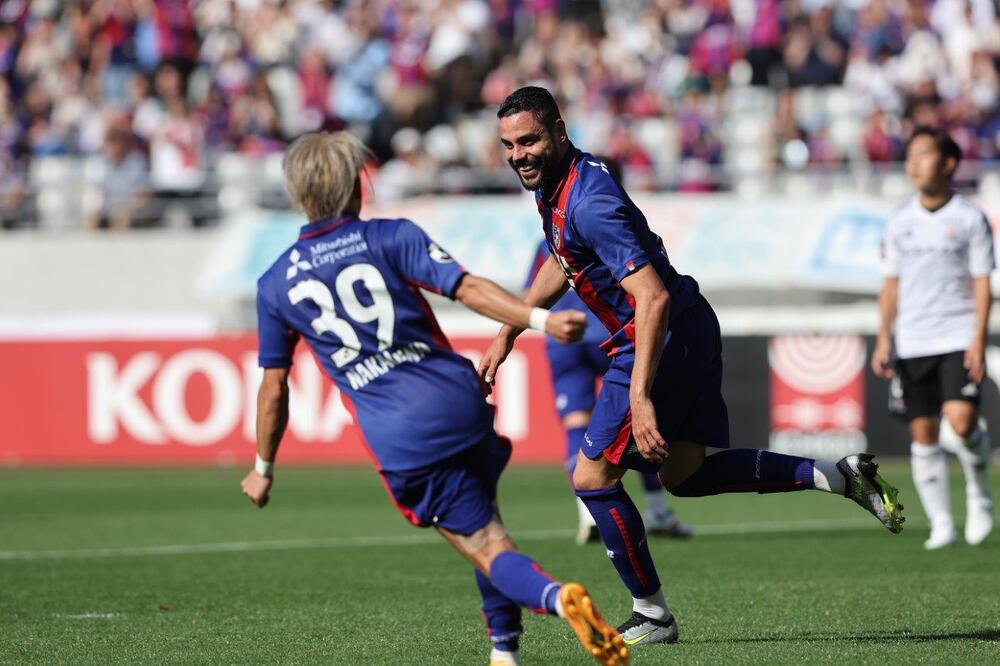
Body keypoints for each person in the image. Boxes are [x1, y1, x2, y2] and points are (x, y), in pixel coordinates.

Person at [480, 86, 905, 648]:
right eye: (509, 145)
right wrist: (510, 329)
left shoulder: (587, 200)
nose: (518, 155)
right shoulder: (560, 183)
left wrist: (639, 396)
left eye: (529, 140)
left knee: (591, 478)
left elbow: (650, 297)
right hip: (688, 323)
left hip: (658, 335)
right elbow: (565, 261)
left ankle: (652, 615)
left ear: (559, 131)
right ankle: (837, 475)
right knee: (685, 476)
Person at [240, 131, 629, 666]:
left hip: (404, 433)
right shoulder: (391, 235)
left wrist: (263, 467)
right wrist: (538, 319)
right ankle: (504, 651)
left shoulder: (275, 283)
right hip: (461, 399)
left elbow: (273, 388)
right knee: (486, 519)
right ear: (354, 185)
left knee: (485, 545)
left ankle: (558, 598)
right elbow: (467, 288)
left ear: (298, 193)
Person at [872, 126, 994, 550]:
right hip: (912, 340)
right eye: (910, 155)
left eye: (923, 154)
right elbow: (890, 284)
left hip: (958, 334)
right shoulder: (899, 221)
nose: (913, 163)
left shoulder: (969, 218)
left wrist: (978, 340)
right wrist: (884, 337)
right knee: (923, 433)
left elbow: (983, 282)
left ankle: (979, 494)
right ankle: (941, 523)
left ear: (948, 163)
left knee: (961, 424)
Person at [525, 237, 692, 544]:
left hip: (565, 340)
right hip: (613, 333)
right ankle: (656, 510)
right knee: (638, 415)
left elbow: (530, 297)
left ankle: (588, 513)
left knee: (576, 422)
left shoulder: (548, 240)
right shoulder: (611, 229)